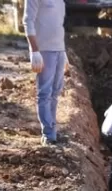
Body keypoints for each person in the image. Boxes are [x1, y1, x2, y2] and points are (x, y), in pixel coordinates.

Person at [23, 0, 66, 146]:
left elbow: (58, 25)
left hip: (59, 50)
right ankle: (47, 134)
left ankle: (52, 129)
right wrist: (34, 51)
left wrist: (63, 51)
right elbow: (28, 21)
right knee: (45, 93)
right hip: (45, 51)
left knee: (55, 93)